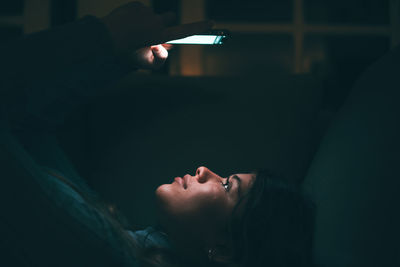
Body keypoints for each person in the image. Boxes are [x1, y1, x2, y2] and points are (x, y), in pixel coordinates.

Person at [0, 2, 315, 267]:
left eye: (226, 185)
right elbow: (29, 130)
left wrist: (103, 37)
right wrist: (117, 60)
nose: (204, 170)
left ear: (223, 250)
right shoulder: (122, 241)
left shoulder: (107, 250)